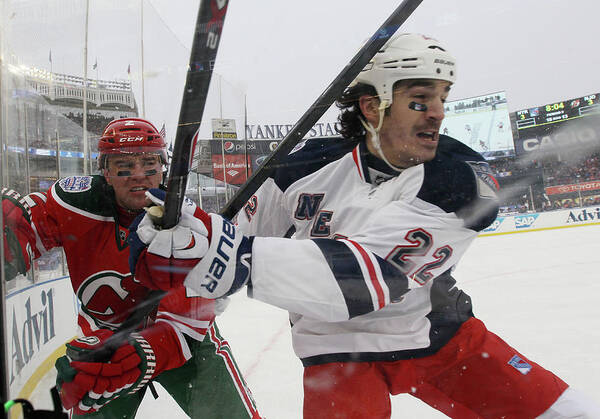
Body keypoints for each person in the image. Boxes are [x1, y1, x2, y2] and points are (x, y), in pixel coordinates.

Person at [129, 35, 599, 418]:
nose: (437, 111)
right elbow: (227, 238)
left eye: (440, 98)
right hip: (338, 355)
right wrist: (177, 236)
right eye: (419, 100)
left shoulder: (458, 178)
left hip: (439, 335)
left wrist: (219, 251)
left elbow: (367, 281)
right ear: (372, 107)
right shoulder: (299, 170)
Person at [1, 117, 260, 418]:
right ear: (106, 173)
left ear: (163, 168)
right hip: (104, 344)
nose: (139, 176)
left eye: (149, 164)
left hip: (184, 345)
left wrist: (138, 356)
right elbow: (29, 224)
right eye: (125, 166)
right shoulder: (74, 204)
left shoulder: (187, 224)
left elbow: (183, 323)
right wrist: (14, 229)